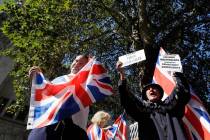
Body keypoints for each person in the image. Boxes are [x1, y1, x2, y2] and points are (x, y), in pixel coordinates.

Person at [116, 61, 191, 140]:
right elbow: (127, 98)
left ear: (160, 93)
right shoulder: (141, 110)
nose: (151, 89)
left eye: (154, 88)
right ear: (146, 96)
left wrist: (176, 71)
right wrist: (122, 75)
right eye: (148, 89)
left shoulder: (172, 105)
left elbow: (182, 91)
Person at [28, 54, 90, 140]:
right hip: (48, 125)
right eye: (76, 61)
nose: (77, 64)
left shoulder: (88, 82)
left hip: (74, 129)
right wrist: (37, 80)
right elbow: (46, 95)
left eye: (81, 63)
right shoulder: (59, 79)